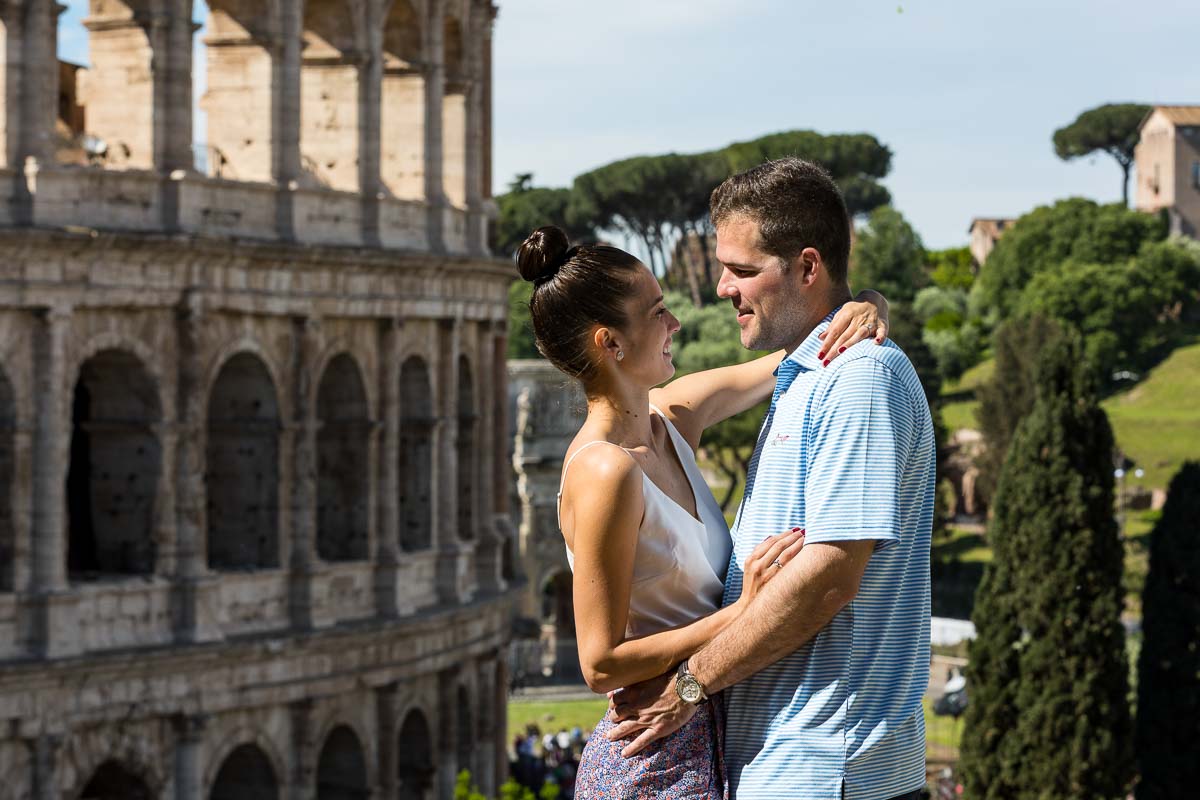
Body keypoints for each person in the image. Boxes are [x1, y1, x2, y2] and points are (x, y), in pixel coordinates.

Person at [515, 222, 891, 798]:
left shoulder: (672, 416)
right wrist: (745, 610)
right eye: (657, 312)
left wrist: (866, 305)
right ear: (609, 343)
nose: (676, 323)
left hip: (704, 728)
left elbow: (805, 353)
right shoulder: (603, 471)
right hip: (653, 758)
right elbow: (600, 663)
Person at [605, 158, 936, 800]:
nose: (723, 288)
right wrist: (867, 302)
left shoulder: (858, 379)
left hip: (830, 771)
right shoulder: (805, 375)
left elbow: (830, 575)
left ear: (808, 268)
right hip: (793, 769)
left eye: (744, 270)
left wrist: (689, 686)